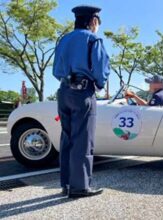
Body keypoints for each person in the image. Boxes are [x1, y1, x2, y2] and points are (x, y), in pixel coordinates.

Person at [53, 5, 110, 198]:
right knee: (83, 140)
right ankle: (80, 187)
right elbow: (101, 69)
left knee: (67, 138)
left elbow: (56, 70)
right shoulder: (93, 39)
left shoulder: (63, 40)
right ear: (93, 21)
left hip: (63, 91)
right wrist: (99, 85)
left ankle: (67, 184)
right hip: (83, 92)